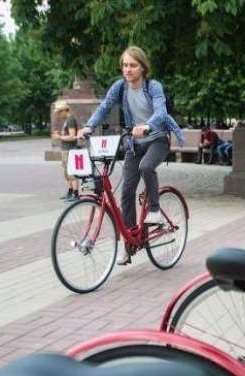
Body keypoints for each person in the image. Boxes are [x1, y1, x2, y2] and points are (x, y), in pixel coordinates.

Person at [78, 45, 185, 266]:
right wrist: (89, 126)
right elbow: (105, 107)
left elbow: (161, 111)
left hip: (157, 139)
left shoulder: (153, 87)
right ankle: (129, 244)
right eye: (125, 65)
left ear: (143, 68)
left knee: (147, 167)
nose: (128, 69)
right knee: (126, 192)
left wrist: (148, 126)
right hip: (135, 144)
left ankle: (154, 211)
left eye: (133, 65)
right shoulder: (120, 87)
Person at [51, 100, 80, 201]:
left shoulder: (71, 120)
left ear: (64, 110)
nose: (58, 115)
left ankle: (75, 194)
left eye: (59, 112)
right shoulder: (67, 121)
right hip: (65, 150)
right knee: (66, 172)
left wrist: (59, 137)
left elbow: (72, 137)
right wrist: (61, 134)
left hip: (69, 150)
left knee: (71, 172)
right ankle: (70, 192)